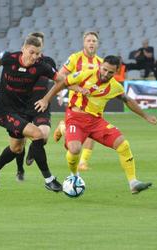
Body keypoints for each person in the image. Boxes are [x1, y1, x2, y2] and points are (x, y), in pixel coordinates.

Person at [35, 55, 157, 194]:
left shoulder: (115, 87)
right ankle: (74, 175)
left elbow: (127, 100)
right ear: (100, 66)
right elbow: (63, 82)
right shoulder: (86, 74)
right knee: (75, 149)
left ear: (116, 71)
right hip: (75, 117)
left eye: (110, 72)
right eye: (104, 69)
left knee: (123, 145)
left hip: (96, 122)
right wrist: (46, 100)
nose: (105, 74)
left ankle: (133, 182)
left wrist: (145, 116)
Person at [0, 36, 65, 192]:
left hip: (21, 111)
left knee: (16, 148)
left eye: (38, 53)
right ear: (23, 49)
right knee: (38, 135)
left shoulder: (42, 66)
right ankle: (49, 180)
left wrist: (82, 89)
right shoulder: (9, 58)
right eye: (32, 52)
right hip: (4, 112)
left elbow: (62, 80)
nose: (35, 57)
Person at [53, 31, 103, 171]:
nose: (91, 43)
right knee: (74, 143)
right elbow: (60, 76)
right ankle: (63, 128)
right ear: (84, 43)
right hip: (76, 105)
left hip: (93, 106)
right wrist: (78, 89)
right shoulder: (75, 58)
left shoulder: (101, 63)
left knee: (91, 133)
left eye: (94, 41)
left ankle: (83, 162)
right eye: (89, 41)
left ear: (97, 44)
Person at [13, 32, 58, 182]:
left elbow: (59, 80)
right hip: (22, 106)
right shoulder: (20, 62)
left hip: (40, 105)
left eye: (39, 43)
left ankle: (32, 152)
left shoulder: (48, 62)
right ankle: (20, 169)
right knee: (19, 144)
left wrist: (46, 98)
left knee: (43, 136)